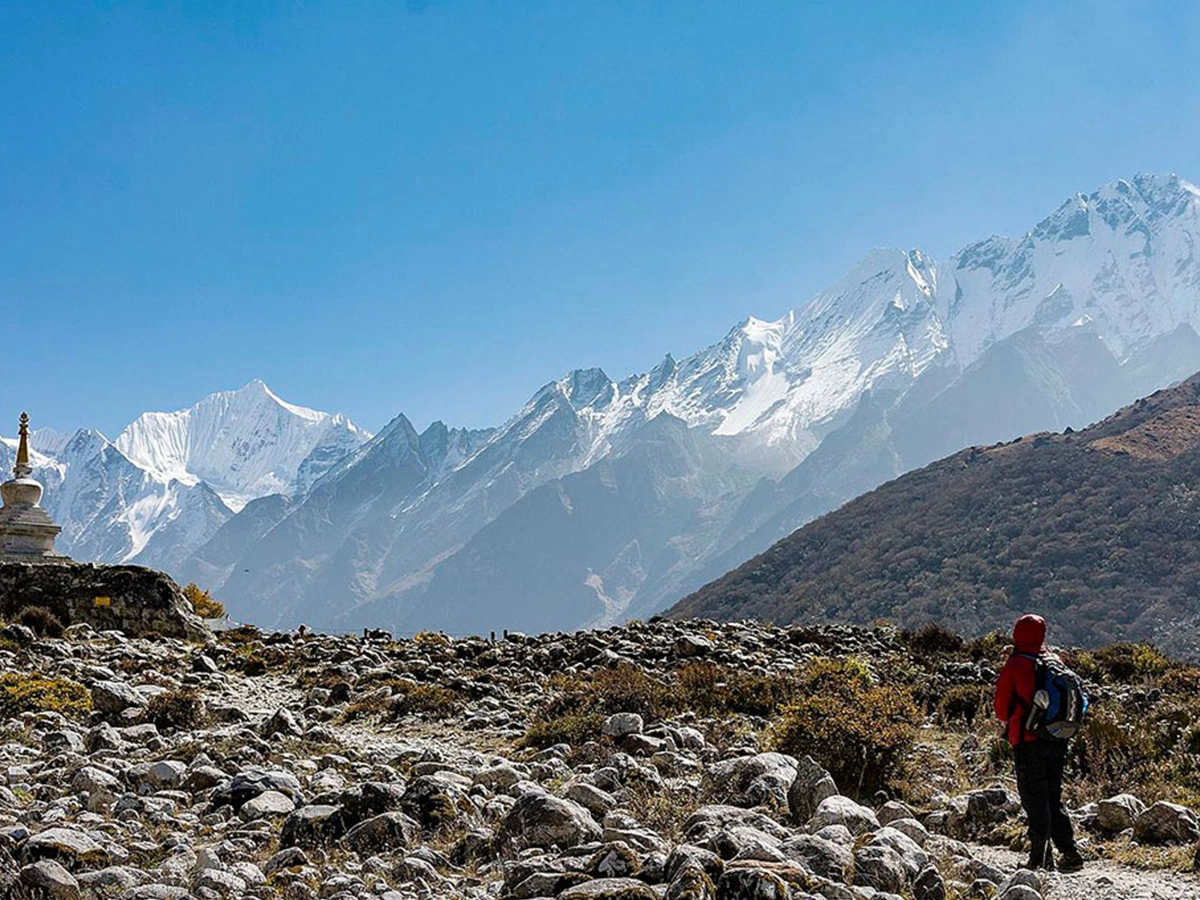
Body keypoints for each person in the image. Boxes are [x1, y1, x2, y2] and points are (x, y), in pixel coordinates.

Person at [993, 613, 1085, 872]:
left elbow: (1001, 709)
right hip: (1058, 737)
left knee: (1035, 798)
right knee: (1053, 796)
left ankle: (1040, 857)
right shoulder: (1054, 660)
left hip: (1027, 739)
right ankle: (1070, 852)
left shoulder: (1016, 664)